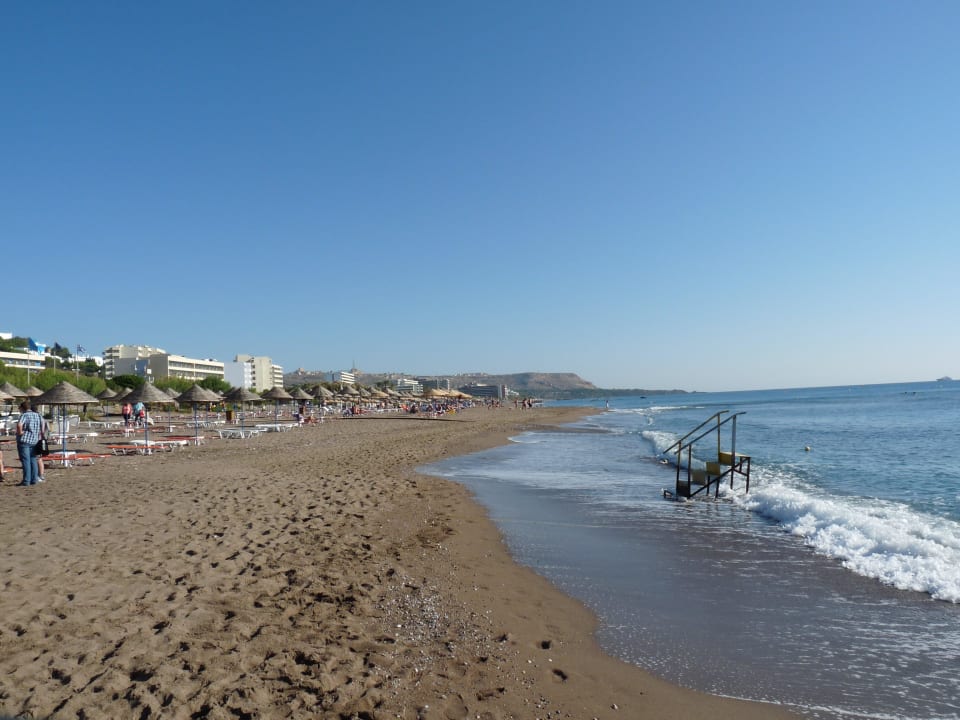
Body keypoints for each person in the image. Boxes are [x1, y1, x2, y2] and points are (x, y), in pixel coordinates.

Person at [15, 401, 43, 487]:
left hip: (25, 440)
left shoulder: (24, 415)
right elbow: (41, 427)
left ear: (22, 408)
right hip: (34, 440)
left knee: (25, 461)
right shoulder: (37, 415)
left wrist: (20, 433)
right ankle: (34, 479)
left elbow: (19, 425)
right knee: (33, 460)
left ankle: (26, 480)